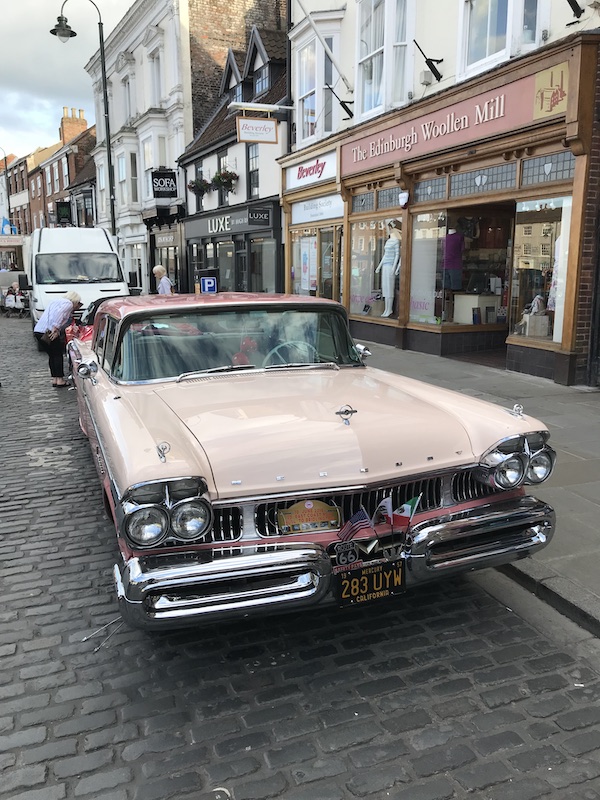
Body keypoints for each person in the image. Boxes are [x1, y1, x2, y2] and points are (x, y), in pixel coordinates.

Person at [33, 291, 82, 387]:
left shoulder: (55, 301)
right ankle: (59, 379)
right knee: (57, 354)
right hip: (49, 331)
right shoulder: (68, 304)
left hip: (39, 330)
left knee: (52, 355)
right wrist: (55, 329)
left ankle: (55, 378)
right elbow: (57, 315)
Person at [375, 220, 401, 317]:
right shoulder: (388, 241)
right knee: (385, 287)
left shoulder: (396, 241)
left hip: (390, 266)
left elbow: (397, 255)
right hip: (385, 266)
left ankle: (389, 309)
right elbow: (385, 255)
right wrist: (379, 266)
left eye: (389, 228)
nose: (388, 230)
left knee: (390, 287)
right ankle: (386, 309)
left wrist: (394, 268)